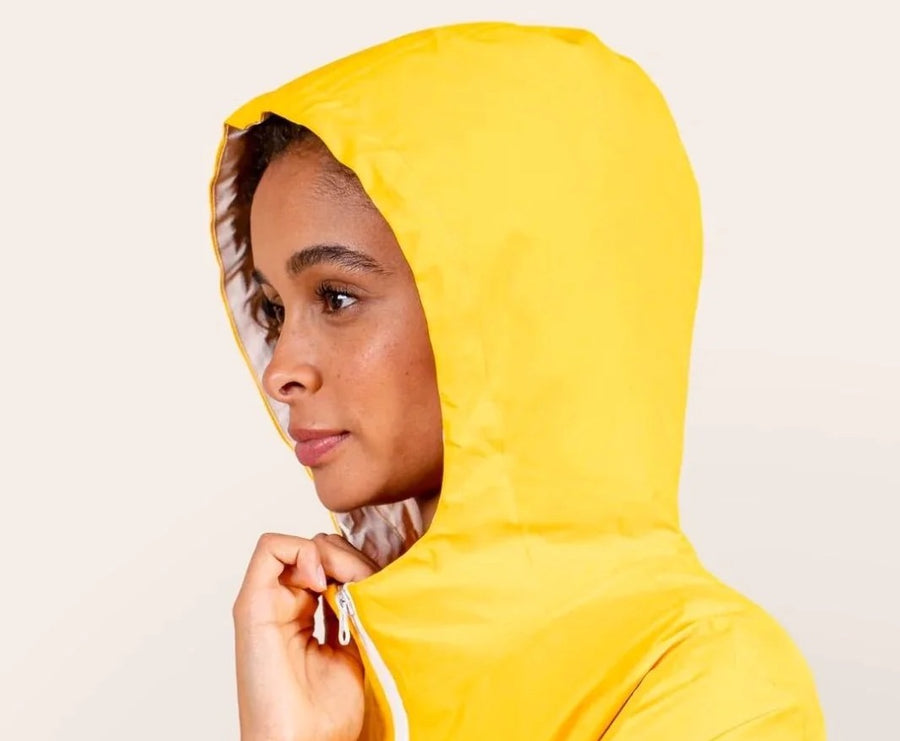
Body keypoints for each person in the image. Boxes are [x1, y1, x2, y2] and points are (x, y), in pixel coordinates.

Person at [210, 22, 825, 740]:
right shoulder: (339, 677)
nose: (281, 369)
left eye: (337, 297)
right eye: (273, 309)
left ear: (512, 310)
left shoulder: (721, 687)